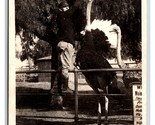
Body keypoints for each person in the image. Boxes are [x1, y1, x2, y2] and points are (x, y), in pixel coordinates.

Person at [56, 0, 82, 93]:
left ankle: (60, 87)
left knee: (65, 66)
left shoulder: (67, 22)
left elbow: (71, 36)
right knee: (65, 67)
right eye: (65, 7)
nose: (67, 9)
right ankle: (65, 88)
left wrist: (80, 36)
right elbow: (73, 9)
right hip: (66, 45)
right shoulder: (61, 15)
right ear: (60, 9)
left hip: (67, 44)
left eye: (67, 7)